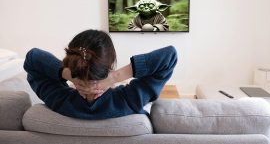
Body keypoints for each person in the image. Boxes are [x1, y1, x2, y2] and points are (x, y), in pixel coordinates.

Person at [23, 29, 177, 120]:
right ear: (110, 66)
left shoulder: (59, 102)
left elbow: (32, 59)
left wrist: (71, 76)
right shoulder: (129, 102)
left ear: (72, 62)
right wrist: (114, 77)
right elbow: (169, 56)